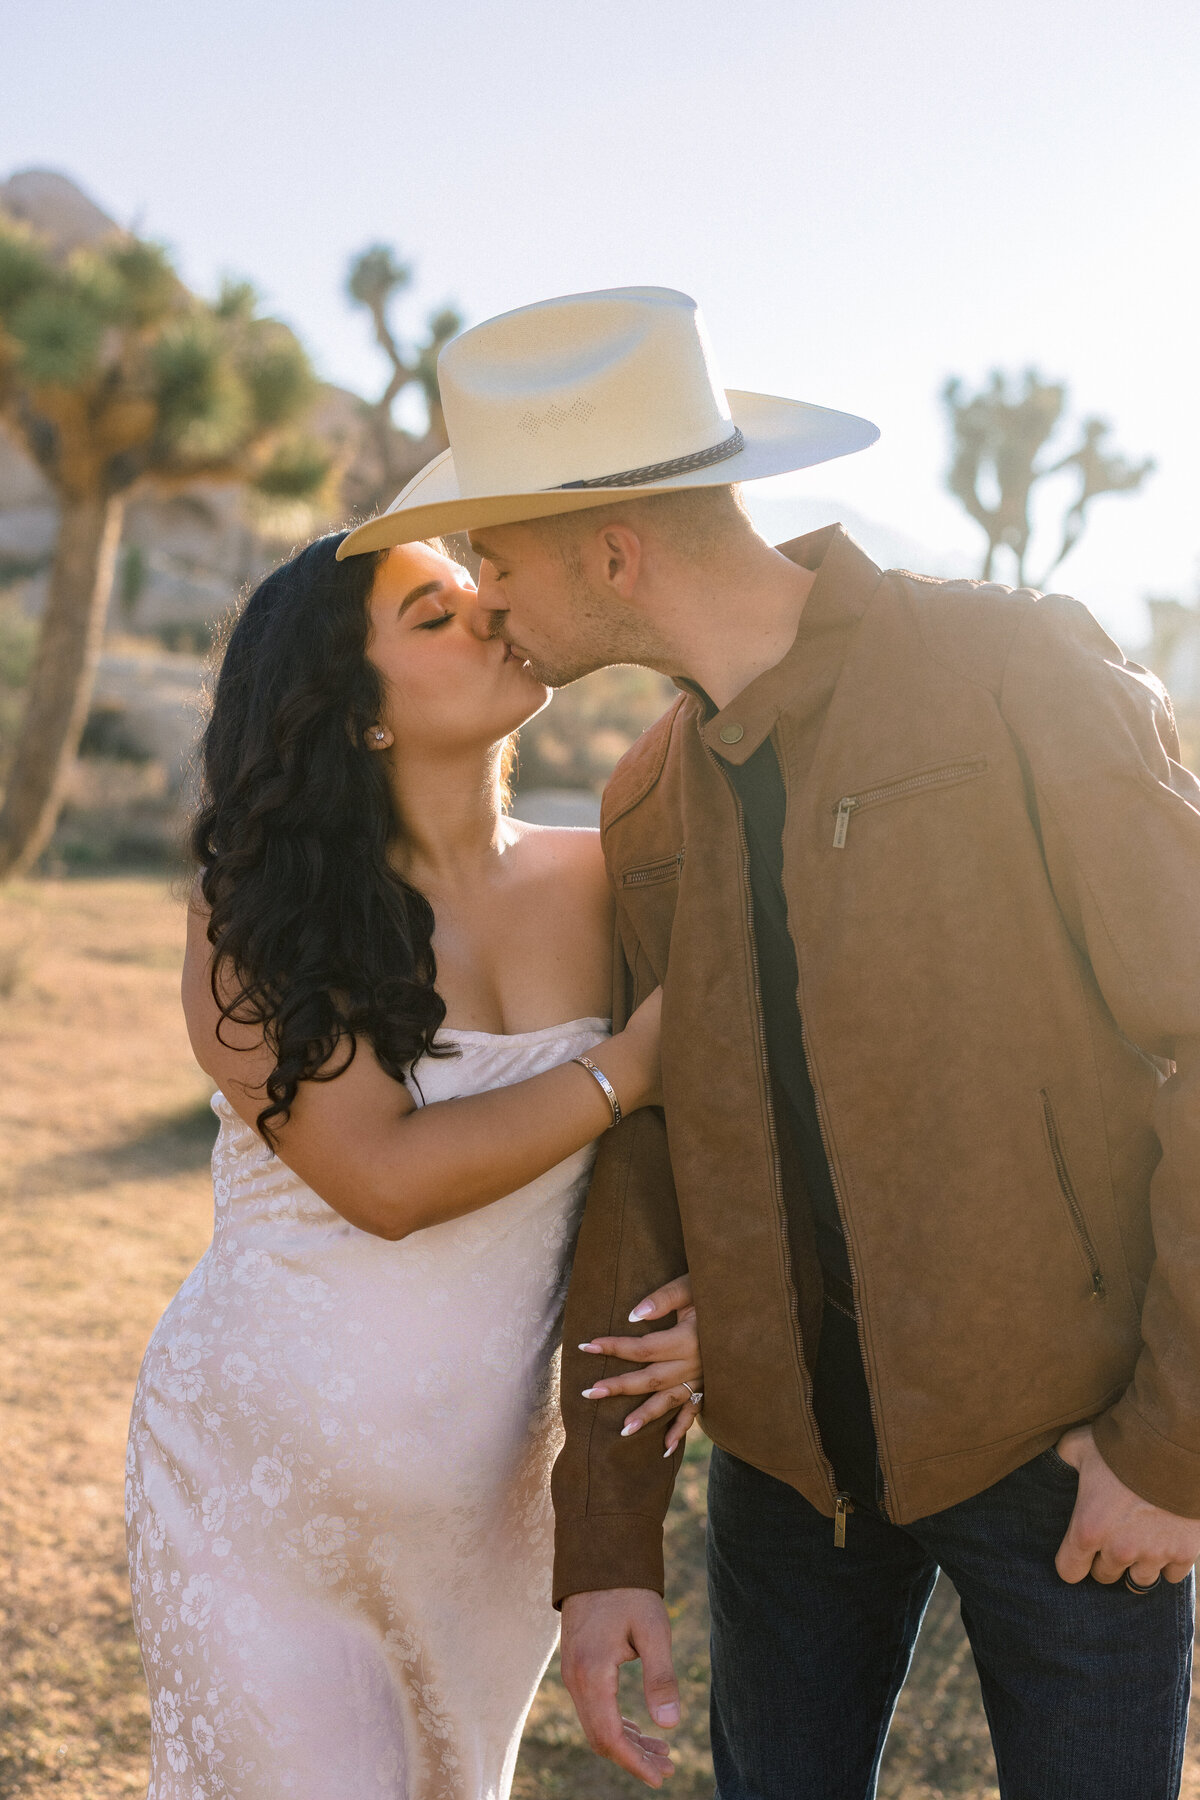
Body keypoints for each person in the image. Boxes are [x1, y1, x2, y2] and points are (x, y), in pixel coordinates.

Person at [337, 285, 1200, 1799]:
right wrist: (606, 1544)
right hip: (787, 1485)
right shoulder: (646, 800)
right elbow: (650, 1149)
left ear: (614, 550)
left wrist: (1175, 1445)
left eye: (500, 553)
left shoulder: (1013, 671)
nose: (486, 595)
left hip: (1066, 1457)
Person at [124, 531, 703, 1800]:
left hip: (485, 1512)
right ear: (359, 717)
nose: (491, 613)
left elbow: (713, 1139)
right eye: (433, 618)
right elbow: (379, 1177)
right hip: (256, 1490)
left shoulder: (611, 877)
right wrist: (623, 1071)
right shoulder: (257, 908)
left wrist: (726, 1302)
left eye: (481, 587)